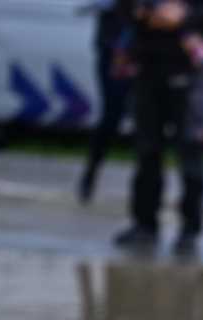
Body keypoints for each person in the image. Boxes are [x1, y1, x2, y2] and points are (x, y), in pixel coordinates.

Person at [112, 0, 203, 255]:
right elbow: (122, 9)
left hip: (189, 75)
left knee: (192, 155)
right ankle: (144, 224)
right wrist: (146, 12)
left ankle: (190, 230)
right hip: (149, 68)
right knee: (147, 153)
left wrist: (184, 17)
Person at [78, 0, 133, 204]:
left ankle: (146, 196)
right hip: (115, 48)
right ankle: (90, 174)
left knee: (149, 122)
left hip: (146, 48)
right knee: (112, 115)